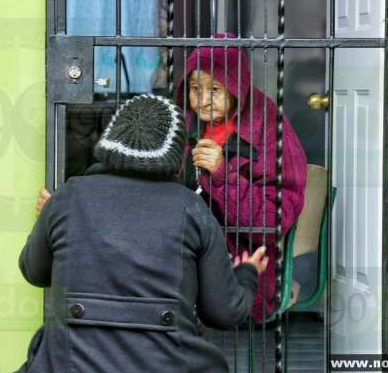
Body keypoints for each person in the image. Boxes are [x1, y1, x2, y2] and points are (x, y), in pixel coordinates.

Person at [16, 94, 268, 373]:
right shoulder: (191, 208)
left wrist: (48, 217)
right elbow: (223, 312)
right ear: (175, 157)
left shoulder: (68, 198)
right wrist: (247, 273)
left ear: (111, 142)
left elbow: (34, 271)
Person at [175, 32, 308, 323]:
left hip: (243, 263)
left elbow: (272, 223)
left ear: (237, 88)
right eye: (196, 89)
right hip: (185, 258)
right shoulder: (184, 125)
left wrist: (223, 175)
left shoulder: (269, 129)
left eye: (215, 90)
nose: (204, 100)